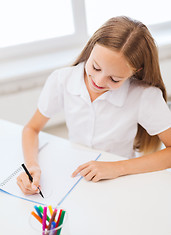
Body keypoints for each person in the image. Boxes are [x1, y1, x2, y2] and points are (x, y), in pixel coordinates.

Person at [17, 16, 171, 195]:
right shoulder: (62, 80)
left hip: (122, 181)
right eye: (96, 67)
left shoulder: (144, 96)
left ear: (135, 72)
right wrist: (32, 166)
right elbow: (31, 129)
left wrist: (116, 168)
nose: (98, 82)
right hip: (75, 176)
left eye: (114, 79)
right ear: (91, 49)